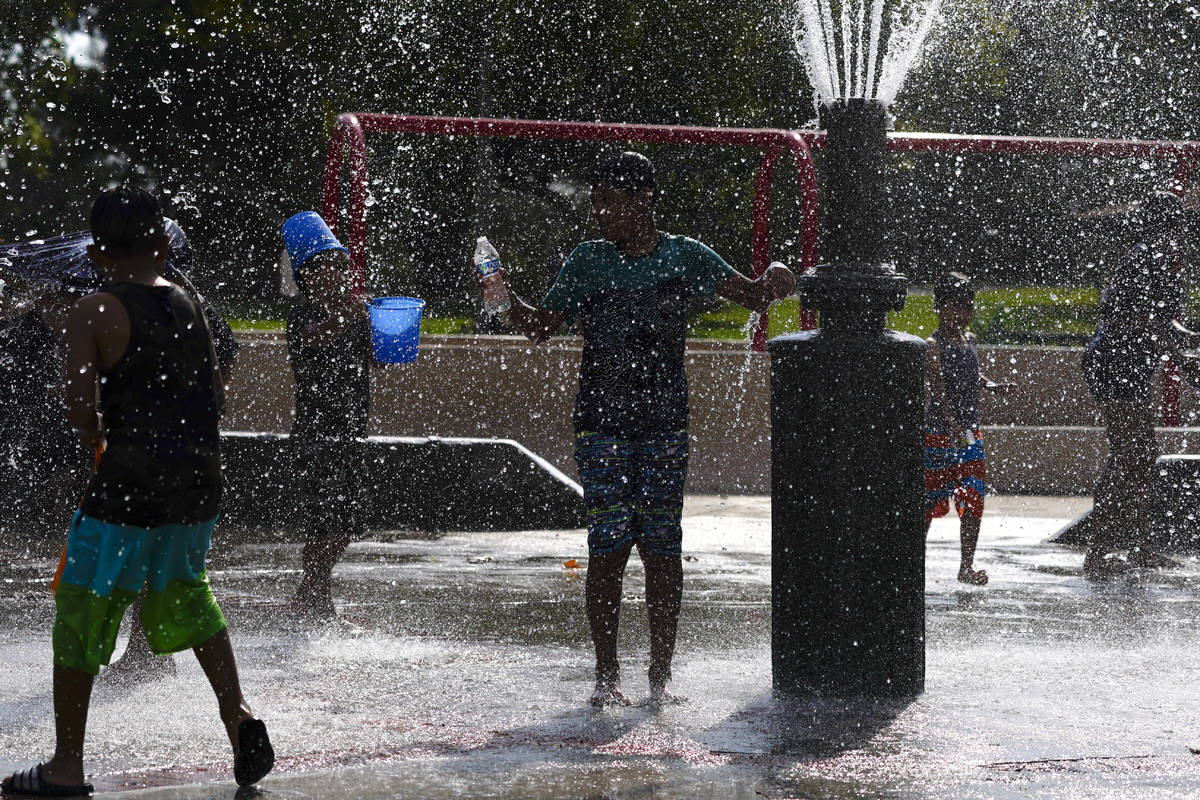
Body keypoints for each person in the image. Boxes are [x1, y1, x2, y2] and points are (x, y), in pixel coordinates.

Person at [497, 151, 795, 708]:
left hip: (664, 427)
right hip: (600, 426)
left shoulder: (686, 257)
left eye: (610, 202)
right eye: (596, 202)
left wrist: (776, 277)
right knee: (607, 547)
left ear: (643, 200)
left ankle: (661, 674)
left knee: (662, 547)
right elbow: (541, 326)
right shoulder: (588, 262)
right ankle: (606, 675)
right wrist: (502, 297)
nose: (600, 214)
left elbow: (753, 294)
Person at [1, 188, 273, 796]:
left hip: (128, 481)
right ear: (159, 243)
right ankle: (240, 718)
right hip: (199, 483)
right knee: (187, 593)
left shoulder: (94, 310)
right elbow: (216, 399)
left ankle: (65, 767)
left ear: (98, 253)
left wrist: (102, 432)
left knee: (80, 604)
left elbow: (79, 411)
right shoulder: (191, 304)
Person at [1081, 190, 1200, 577]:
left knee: (1139, 452)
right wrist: (1183, 355)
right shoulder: (1156, 257)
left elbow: (1163, 323)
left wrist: (1187, 346)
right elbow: (1145, 321)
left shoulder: (1144, 254)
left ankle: (1140, 545)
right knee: (1129, 454)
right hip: (1116, 364)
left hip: (1117, 362)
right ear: (1171, 224)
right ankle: (1100, 551)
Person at [281, 211, 371, 620]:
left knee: (348, 519)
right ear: (304, 277)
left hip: (352, 427)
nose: (329, 276)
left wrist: (384, 332)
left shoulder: (356, 312)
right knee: (323, 517)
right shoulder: (300, 312)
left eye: (335, 267)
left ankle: (311, 591)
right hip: (316, 430)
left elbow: (378, 360)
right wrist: (345, 317)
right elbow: (312, 343)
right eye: (318, 270)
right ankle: (317, 596)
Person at [922, 271, 1016, 586]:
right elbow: (937, 388)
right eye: (954, 305)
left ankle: (966, 567)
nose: (961, 312)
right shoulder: (932, 344)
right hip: (939, 434)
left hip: (969, 435)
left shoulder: (969, 340)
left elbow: (973, 374)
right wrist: (949, 421)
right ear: (939, 307)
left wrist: (992, 385)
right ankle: (913, 564)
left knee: (973, 497)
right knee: (929, 499)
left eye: (966, 306)